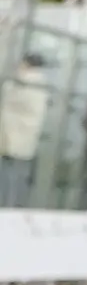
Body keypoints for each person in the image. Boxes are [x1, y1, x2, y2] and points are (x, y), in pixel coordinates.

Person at [0, 52, 48, 206]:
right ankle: (14, 204)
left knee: (7, 173)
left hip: (12, 133)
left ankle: (5, 204)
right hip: (26, 136)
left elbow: (8, 96)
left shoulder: (23, 81)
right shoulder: (43, 85)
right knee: (20, 174)